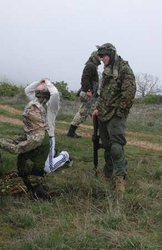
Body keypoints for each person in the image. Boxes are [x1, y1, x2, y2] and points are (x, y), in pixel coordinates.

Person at [91, 43, 136, 193]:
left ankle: (120, 178)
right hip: (103, 113)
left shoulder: (124, 69)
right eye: (100, 56)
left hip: (116, 114)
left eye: (103, 56)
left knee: (116, 147)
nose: (101, 59)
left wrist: (120, 112)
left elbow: (129, 92)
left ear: (110, 54)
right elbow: (103, 92)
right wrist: (97, 108)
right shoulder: (107, 70)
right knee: (107, 146)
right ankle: (108, 172)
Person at [0, 86, 51, 199]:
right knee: (5, 179)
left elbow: (16, 149)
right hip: (27, 171)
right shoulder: (35, 131)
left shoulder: (37, 136)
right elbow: (17, 141)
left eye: (28, 115)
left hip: (33, 176)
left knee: (4, 189)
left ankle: (35, 190)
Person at [25, 78, 71, 173]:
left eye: (40, 90)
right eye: (37, 91)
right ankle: (52, 153)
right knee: (32, 162)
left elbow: (55, 94)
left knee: (48, 168)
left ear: (46, 91)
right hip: (36, 136)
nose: (37, 92)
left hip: (48, 137)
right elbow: (27, 90)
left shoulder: (52, 105)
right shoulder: (37, 101)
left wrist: (47, 82)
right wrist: (39, 81)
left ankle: (64, 156)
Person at [67, 51, 101, 138]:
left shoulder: (92, 66)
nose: (100, 58)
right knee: (85, 112)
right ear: (94, 57)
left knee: (89, 112)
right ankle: (71, 132)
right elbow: (85, 78)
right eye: (98, 56)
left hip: (90, 94)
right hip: (88, 94)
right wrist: (88, 90)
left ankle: (98, 132)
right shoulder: (90, 65)